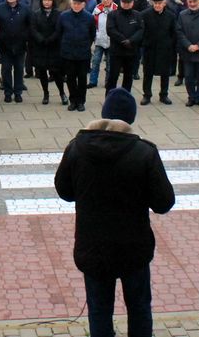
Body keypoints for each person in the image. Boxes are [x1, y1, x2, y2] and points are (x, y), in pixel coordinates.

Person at [54, 88, 175, 337]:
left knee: (99, 310)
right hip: (133, 247)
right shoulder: (144, 153)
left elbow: (64, 191)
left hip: (93, 246)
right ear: (130, 119)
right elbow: (164, 202)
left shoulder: (77, 148)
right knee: (139, 308)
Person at [57, 0, 97, 111]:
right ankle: (73, 100)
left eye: (78, 4)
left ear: (83, 5)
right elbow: (59, 33)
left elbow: (92, 35)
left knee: (82, 78)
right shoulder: (64, 16)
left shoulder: (89, 17)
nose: (76, 6)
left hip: (83, 53)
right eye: (74, 3)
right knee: (70, 78)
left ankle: (81, 101)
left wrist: (85, 45)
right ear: (71, 4)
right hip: (68, 53)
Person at [0, 0, 31, 103]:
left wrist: (25, 38)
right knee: (6, 70)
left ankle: (18, 92)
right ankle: (8, 92)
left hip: (20, 45)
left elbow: (30, 25)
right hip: (5, 45)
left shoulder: (25, 8)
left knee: (19, 69)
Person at [30, 0, 67, 105]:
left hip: (54, 47)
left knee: (56, 73)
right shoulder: (36, 14)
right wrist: (41, 39)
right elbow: (33, 28)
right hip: (40, 47)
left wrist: (51, 39)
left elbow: (59, 30)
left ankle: (62, 93)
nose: (47, 2)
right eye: (44, 0)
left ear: (52, 1)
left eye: (49, 0)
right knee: (42, 72)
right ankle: (46, 94)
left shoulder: (59, 14)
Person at [140, 0, 176, 105]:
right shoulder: (145, 14)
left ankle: (164, 95)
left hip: (165, 49)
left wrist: (171, 45)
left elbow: (174, 32)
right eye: (155, 3)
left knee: (165, 73)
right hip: (149, 48)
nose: (157, 6)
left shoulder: (170, 16)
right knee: (148, 73)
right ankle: (147, 95)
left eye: (160, 3)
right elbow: (141, 30)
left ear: (164, 3)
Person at [106, 0, 144, 94]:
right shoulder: (112, 14)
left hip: (131, 51)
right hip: (116, 51)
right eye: (124, 2)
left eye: (128, 2)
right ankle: (109, 97)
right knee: (113, 76)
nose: (126, 4)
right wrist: (123, 40)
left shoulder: (137, 15)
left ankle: (126, 97)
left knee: (128, 76)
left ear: (132, 3)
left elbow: (141, 30)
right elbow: (110, 30)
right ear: (120, 2)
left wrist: (130, 40)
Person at [88, 0, 117, 88]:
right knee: (95, 62)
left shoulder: (116, 9)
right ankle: (92, 81)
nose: (105, 0)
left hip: (111, 41)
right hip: (99, 40)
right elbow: (92, 23)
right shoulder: (97, 9)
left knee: (109, 64)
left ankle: (108, 82)